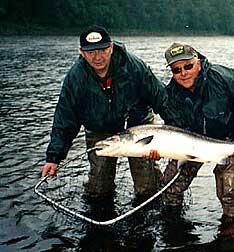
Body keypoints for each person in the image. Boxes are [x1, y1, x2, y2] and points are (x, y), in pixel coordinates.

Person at [41, 25, 171, 199]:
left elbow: (162, 99)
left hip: (139, 127)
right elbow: (65, 120)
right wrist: (54, 157)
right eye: (91, 52)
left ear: (111, 48)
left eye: (102, 50)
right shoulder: (75, 78)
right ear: (82, 53)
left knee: (148, 187)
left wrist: (180, 129)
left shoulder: (133, 67)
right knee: (99, 189)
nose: (97, 57)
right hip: (99, 129)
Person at [159, 42, 234, 234]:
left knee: (229, 189)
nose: (183, 73)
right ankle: (171, 223)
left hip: (230, 139)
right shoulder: (170, 96)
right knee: (170, 185)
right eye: (176, 70)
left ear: (198, 62)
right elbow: (173, 128)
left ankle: (233, 228)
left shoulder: (224, 78)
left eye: (188, 66)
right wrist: (160, 150)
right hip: (191, 144)